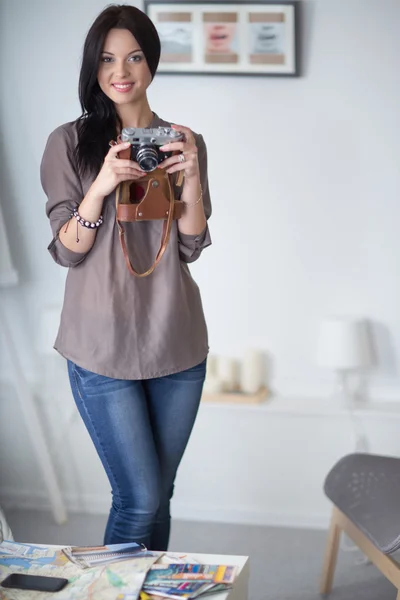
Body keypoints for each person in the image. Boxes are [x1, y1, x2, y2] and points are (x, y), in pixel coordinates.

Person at [40, 4, 211, 551]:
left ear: (151, 62)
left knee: (160, 493)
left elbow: (190, 244)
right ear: (94, 68)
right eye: (109, 59)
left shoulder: (184, 139)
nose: (122, 70)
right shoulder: (69, 143)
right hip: (101, 344)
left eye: (135, 56)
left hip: (176, 340)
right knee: (137, 498)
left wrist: (194, 178)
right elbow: (68, 251)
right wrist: (103, 184)